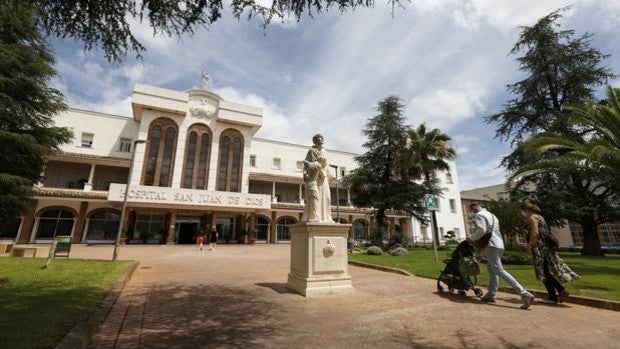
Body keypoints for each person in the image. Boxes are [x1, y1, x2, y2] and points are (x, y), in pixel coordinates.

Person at [468, 202, 535, 309]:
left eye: (472, 209)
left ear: (475, 207)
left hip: (490, 245)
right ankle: (491, 295)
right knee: (493, 271)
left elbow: (481, 231)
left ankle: (524, 294)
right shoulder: (492, 215)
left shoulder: (480, 215)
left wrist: (471, 237)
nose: (471, 211)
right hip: (499, 244)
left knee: (499, 270)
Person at [521, 202, 579, 303]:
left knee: (543, 272)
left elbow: (535, 232)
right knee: (545, 271)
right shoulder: (540, 217)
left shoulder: (531, 218)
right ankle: (552, 296)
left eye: (522, 211)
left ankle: (561, 290)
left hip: (539, 248)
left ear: (526, 210)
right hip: (546, 247)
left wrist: (529, 246)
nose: (521, 213)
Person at [302, 134, 334, 223]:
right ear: (315, 141)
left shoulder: (324, 151)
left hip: (324, 179)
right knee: (316, 198)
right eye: (319, 139)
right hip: (315, 179)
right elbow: (306, 164)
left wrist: (330, 175)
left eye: (322, 139)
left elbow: (326, 164)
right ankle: (315, 217)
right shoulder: (311, 151)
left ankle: (326, 218)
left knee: (327, 198)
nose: (322, 141)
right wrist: (305, 174)